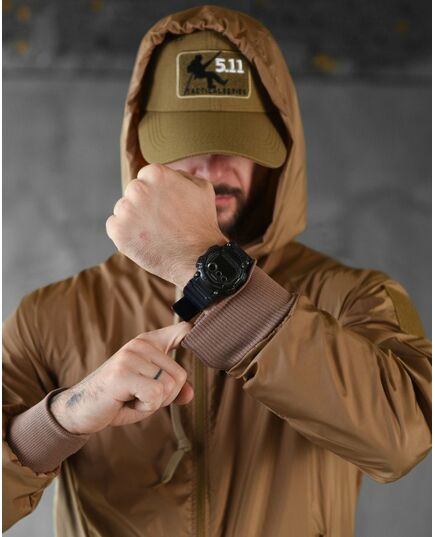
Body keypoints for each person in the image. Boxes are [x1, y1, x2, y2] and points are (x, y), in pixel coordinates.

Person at [3, 5, 431, 537]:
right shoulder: (50, 316)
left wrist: (205, 263)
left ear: (278, 154)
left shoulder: (355, 298)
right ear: (142, 150)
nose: (209, 170)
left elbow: (404, 439)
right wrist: (66, 417)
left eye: (237, 142)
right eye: (184, 144)